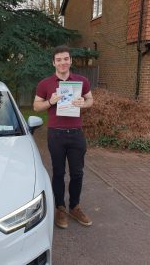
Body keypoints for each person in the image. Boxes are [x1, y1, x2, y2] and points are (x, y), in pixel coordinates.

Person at [33, 45, 94, 229]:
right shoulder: (45, 84)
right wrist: (50, 101)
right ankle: (60, 208)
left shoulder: (81, 81)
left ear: (71, 61)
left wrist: (84, 103)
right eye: (59, 59)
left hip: (76, 133)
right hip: (56, 134)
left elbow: (91, 100)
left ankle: (74, 206)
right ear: (53, 62)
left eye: (66, 59)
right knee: (58, 173)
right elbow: (36, 106)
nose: (62, 62)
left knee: (77, 173)